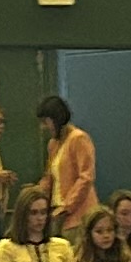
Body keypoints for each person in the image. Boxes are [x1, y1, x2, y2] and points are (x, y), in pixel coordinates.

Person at [38, 93, 97, 240]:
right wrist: (35, 194)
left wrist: (67, 207)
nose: (44, 127)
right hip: (56, 214)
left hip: (78, 214)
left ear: (56, 119)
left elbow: (86, 177)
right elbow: (49, 177)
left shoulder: (79, 138)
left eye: (46, 122)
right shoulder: (53, 144)